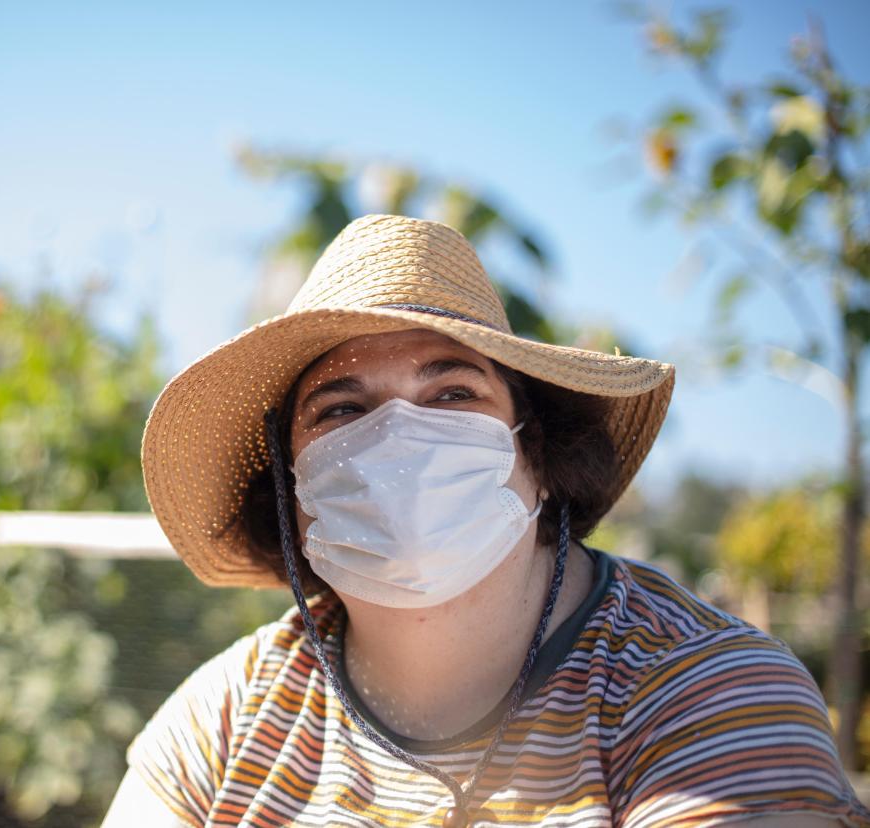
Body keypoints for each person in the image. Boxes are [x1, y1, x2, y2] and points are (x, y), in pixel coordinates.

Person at [101, 214, 870, 827]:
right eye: (342, 409)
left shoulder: (703, 696)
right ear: (289, 488)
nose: (398, 437)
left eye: (452, 395)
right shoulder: (230, 719)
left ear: (537, 452)